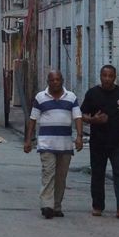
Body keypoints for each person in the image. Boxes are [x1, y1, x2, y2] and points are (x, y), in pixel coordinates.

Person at [23, 70, 84, 219]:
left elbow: (78, 117)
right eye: (52, 80)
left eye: (58, 79)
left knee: (61, 178)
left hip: (65, 145)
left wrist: (79, 137)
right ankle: (47, 205)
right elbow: (33, 119)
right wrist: (28, 140)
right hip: (46, 144)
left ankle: (57, 206)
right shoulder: (40, 98)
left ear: (62, 80)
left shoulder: (71, 97)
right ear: (48, 82)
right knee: (48, 174)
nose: (55, 82)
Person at [81, 65, 119, 218]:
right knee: (97, 174)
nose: (107, 78)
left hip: (117, 142)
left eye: (110, 76)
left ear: (115, 77)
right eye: (105, 75)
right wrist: (93, 119)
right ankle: (97, 206)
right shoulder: (92, 94)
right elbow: (82, 115)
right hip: (98, 142)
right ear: (100, 76)